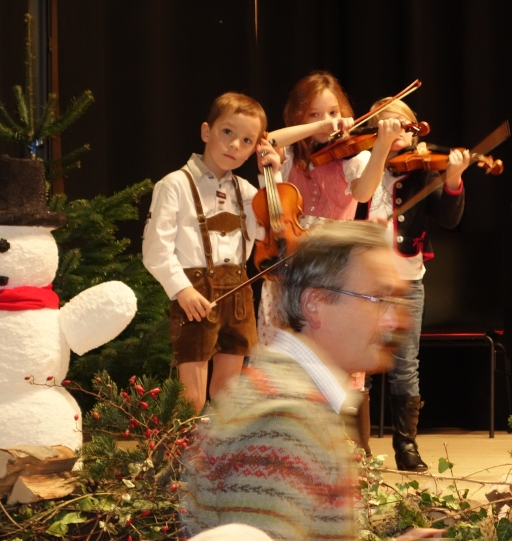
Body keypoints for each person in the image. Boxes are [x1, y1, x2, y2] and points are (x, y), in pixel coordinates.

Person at [180, 221, 414, 540]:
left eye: (397, 302)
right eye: (378, 298)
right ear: (314, 304)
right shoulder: (285, 419)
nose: (395, 320)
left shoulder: (290, 395)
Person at [262, 71, 404, 452]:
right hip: (291, 267)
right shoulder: (288, 157)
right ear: (298, 116)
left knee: (340, 352)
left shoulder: (353, 157)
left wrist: (382, 144)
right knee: (287, 353)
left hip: (335, 269)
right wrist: (319, 127)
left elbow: (364, 192)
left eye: (333, 112)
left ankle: (348, 450)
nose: (327, 121)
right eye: (314, 113)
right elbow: (267, 140)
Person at [342, 96, 470, 471]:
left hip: (407, 280)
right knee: (357, 364)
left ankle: (406, 446)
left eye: (405, 124)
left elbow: (448, 219)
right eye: (389, 123)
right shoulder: (361, 163)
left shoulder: (422, 170)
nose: (399, 129)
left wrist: (454, 179)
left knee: (405, 365)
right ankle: (357, 446)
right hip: (360, 281)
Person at [143, 92, 281, 412]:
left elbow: (272, 233)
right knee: (191, 395)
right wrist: (181, 290)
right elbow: (155, 249)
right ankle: (185, 444)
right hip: (195, 293)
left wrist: (271, 177)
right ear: (206, 131)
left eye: (247, 140)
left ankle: (221, 445)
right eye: (227, 132)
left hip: (239, 294)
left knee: (228, 393)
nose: (234, 145)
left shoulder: (248, 193)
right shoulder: (175, 185)